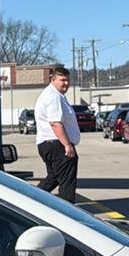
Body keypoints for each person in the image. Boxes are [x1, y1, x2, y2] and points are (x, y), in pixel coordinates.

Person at [34, 64, 80, 203]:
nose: (66, 83)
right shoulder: (53, 97)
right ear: (53, 80)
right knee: (67, 183)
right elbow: (55, 123)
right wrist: (67, 145)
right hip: (57, 145)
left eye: (67, 80)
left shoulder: (55, 95)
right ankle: (68, 215)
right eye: (62, 80)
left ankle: (31, 200)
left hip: (49, 144)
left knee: (52, 178)